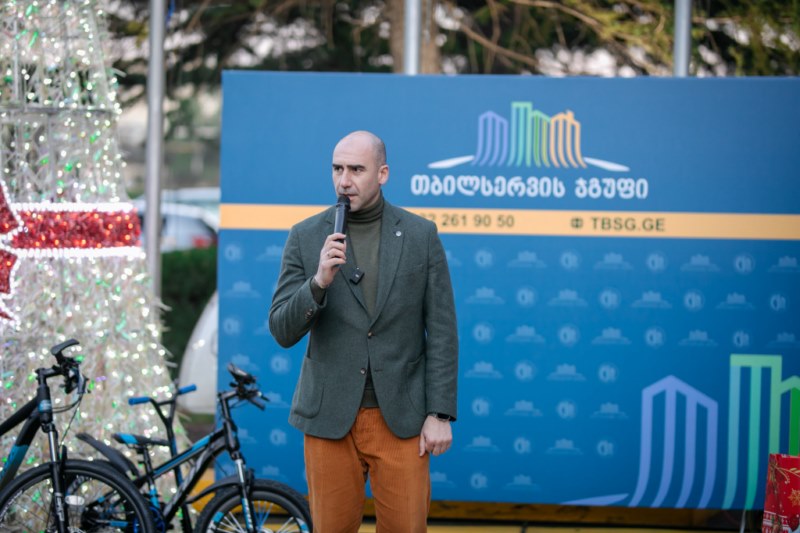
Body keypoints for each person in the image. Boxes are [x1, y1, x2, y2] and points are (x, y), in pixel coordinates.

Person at [269, 130, 458, 532]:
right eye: (337, 169)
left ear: (382, 173)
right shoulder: (306, 236)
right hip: (329, 417)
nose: (344, 181)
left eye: (356, 170)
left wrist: (439, 413)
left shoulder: (421, 235)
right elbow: (282, 329)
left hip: (401, 418)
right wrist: (318, 282)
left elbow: (442, 331)